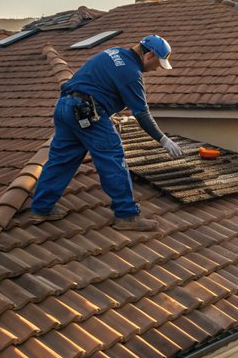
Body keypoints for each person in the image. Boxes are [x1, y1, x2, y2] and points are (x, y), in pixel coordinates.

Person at [29, 35, 183, 231]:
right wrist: (163, 140)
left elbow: (96, 84)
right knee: (112, 157)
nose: (155, 69)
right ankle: (126, 215)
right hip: (87, 112)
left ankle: (41, 208)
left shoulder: (114, 52)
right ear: (150, 55)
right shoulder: (131, 73)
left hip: (65, 107)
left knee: (61, 158)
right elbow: (141, 113)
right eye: (157, 63)